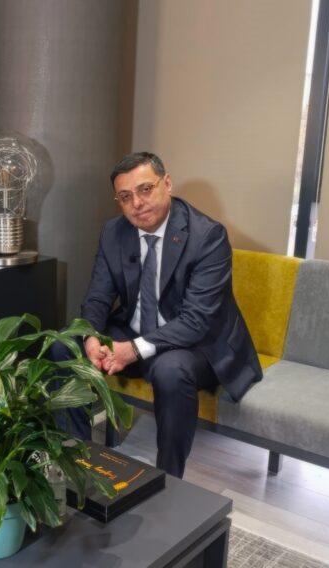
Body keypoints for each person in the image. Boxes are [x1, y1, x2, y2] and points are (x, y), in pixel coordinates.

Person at [56, 151, 262, 478]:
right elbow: (97, 297)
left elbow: (196, 321)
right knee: (64, 344)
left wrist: (132, 350)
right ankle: (78, 463)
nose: (137, 203)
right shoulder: (114, 232)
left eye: (145, 189)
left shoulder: (207, 236)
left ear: (167, 184)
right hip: (135, 332)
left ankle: (169, 479)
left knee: (170, 370)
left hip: (198, 344)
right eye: (125, 197)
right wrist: (91, 337)